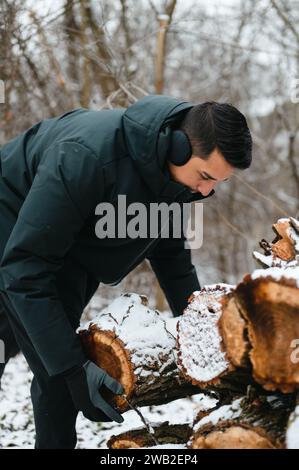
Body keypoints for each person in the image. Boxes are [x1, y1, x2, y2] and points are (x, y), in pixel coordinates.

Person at [0, 94, 252, 448]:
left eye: (217, 184)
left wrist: (200, 334)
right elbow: (25, 267)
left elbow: (173, 259)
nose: (206, 191)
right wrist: (72, 369)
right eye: (206, 176)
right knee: (58, 368)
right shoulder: (86, 157)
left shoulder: (177, 180)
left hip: (69, 242)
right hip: (13, 216)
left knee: (48, 351)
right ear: (178, 147)